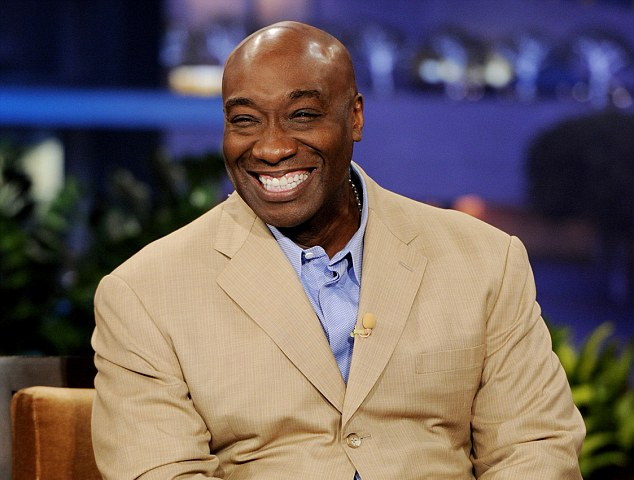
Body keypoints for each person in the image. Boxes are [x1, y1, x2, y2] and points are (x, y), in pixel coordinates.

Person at [91, 21, 585, 479]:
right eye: (245, 120)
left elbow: (534, 446)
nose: (271, 147)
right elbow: (161, 470)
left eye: (302, 115)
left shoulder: (484, 259)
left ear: (354, 117)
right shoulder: (144, 293)